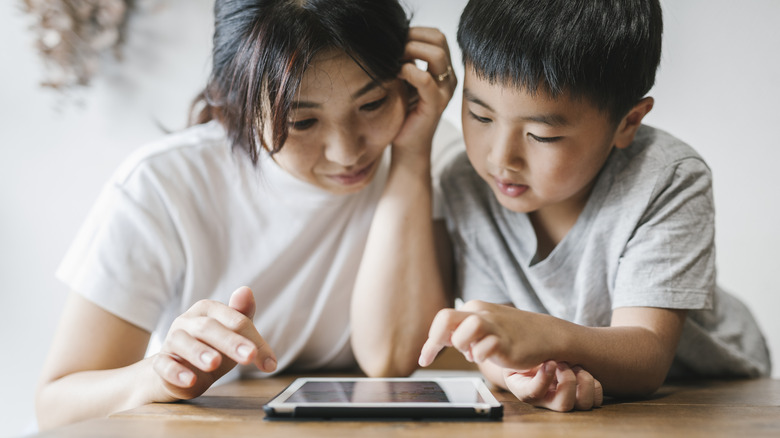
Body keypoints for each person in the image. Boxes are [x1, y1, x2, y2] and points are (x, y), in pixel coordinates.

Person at [35, 0, 460, 429]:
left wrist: (410, 160)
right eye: (302, 122)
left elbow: (390, 358)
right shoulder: (163, 184)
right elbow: (55, 407)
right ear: (237, 102)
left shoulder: (431, 150)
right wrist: (161, 374)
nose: (347, 152)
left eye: (372, 105)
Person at [417, 0, 771, 412]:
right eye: (480, 115)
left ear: (627, 123)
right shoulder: (467, 182)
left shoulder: (667, 178)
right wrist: (521, 373)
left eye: (542, 136)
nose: (500, 158)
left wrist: (548, 340)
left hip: (713, 391)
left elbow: (649, 356)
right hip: (605, 395)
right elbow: (497, 338)